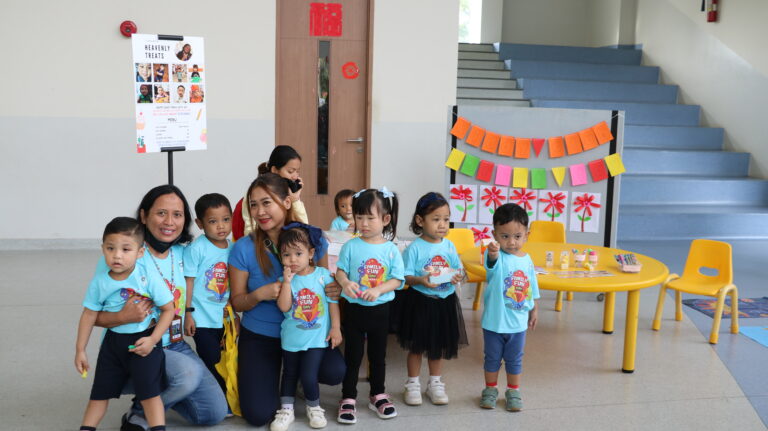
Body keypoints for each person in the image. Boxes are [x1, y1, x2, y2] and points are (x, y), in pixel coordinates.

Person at [93, 185, 228, 431]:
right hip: (135, 345)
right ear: (144, 216)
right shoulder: (125, 255)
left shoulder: (184, 252)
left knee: (213, 412)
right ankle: (141, 412)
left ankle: (156, 393)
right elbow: (93, 316)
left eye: (177, 214)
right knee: (187, 374)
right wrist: (121, 316)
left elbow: (219, 257)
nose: (169, 222)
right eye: (161, 213)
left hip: (174, 342)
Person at [229, 173, 345, 427]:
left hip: (307, 331)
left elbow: (325, 282)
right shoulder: (243, 248)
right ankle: (282, 377)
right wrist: (259, 295)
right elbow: (237, 302)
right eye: (253, 205)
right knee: (258, 415)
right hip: (262, 334)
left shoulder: (313, 239)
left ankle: (302, 377)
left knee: (334, 371)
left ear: (286, 202)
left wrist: (335, 288)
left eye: (266, 202)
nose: (260, 211)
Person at [75, 217, 175, 431]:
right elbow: (89, 314)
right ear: (102, 249)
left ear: (140, 252)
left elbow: (169, 309)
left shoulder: (147, 277)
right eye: (110, 248)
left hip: (143, 342)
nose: (117, 255)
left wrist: (153, 340)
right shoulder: (100, 281)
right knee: (99, 395)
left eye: (126, 249)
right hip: (113, 344)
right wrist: (80, 349)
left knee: (149, 395)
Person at [335, 188, 404, 424]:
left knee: (378, 356)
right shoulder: (351, 246)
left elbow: (397, 280)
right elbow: (340, 271)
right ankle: (348, 397)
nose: (363, 223)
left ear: (385, 219)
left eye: (370, 217)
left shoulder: (390, 249)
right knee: (353, 356)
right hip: (354, 310)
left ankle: (378, 394)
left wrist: (378, 290)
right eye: (359, 217)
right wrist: (345, 283)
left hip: (380, 311)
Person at [397, 192, 467, 407]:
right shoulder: (414, 248)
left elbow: (459, 270)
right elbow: (405, 277)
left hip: (445, 302)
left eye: (446, 219)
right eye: (436, 219)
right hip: (420, 301)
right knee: (417, 346)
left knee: (438, 346)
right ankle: (412, 384)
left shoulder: (449, 246)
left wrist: (459, 275)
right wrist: (420, 280)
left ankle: (435, 383)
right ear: (420, 221)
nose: (442, 225)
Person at [270, 224, 342, 431]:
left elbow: (333, 303)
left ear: (311, 254)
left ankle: (314, 407)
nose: (292, 259)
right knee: (289, 373)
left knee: (309, 375)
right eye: (286, 255)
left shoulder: (323, 275)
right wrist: (286, 283)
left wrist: (336, 328)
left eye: (298, 253)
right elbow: (284, 307)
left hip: (316, 339)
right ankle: (286, 410)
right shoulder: (284, 280)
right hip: (291, 339)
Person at [480, 203, 539, 412]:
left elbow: (532, 286)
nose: (511, 242)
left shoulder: (527, 260)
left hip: (517, 323)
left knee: (515, 360)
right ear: (494, 235)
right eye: (504, 236)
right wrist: (492, 253)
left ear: (527, 235)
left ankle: (513, 391)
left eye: (517, 236)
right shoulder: (496, 256)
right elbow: (491, 264)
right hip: (494, 323)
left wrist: (534, 309)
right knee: (492, 358)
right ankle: (490, 389)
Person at [182, 193, 233, 403]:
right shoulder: (196, 249)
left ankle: (225, 395)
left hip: (222, 316)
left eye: (226, 219)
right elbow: (188, 282)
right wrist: (187, 313)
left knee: (224, 357)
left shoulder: (232, 247)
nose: (221, 226)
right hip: (201, 317)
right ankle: (216, 398)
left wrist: (232, 309)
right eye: (213, 221)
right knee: (210, 358)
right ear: (200, 224)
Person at [232, 145, 307, 241]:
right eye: (290, 171)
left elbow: (304, 230)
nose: (295, 177)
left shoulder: (290, 193)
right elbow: (251, 232)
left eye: (297, 171)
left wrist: (295, 201)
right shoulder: (255, 192)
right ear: (275, 170)